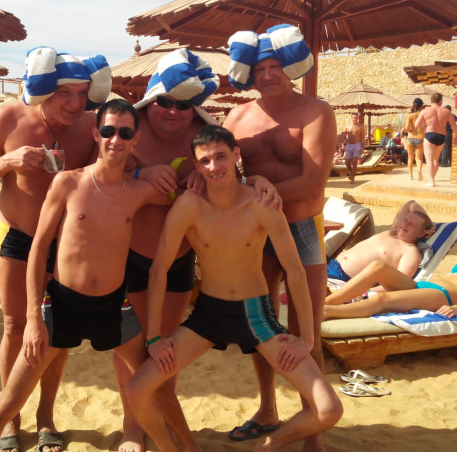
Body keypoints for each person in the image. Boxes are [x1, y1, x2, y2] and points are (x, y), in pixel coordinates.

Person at [0, 99, 197, 452]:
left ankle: (191, 448)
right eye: (108, 131)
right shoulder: (68, 183)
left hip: (114, 308)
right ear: (95, 134)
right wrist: (33, 319)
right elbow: (39, 250)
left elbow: (191, 196)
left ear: (135, 140)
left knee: (159, 387)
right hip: (61, 306)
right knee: (7, 403)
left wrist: (204, 177)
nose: (115, 139)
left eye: (125, 133)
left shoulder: (139, 191)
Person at [126, 125, 342, 452]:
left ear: (236, 154)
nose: (214, 166)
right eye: (205, 161)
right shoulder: (189, 206)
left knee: (329, 409)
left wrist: (307, 339)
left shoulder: (261, 203)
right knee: (136, 391)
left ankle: (266, 447)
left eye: (220, 157)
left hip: (256, 315)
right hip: (208, 315)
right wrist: (154, 337)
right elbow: (159, 271)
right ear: (196, 165)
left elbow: (296, 272)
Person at [0, 47, 112, 452]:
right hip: (18, 234)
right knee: (16, 326)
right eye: (65, 92)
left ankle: (46, 415)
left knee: (56, 331)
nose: (75, 102)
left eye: (81, 93)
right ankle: (10, 420)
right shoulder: (9, 118)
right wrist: (8, 162)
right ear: (45, 88)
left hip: (64, 241)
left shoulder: (90, 125)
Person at [223, 24, 336, 448]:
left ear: (288, 67)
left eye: (274, 67)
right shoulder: (237, 117)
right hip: (255, 232)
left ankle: (313, 427)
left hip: (302, 226)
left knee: (307, 328)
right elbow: (222, 171)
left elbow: (312, 183)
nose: (267, 75)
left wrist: (257, 193)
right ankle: (268, 409)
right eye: (259, 69)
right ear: (249, 74)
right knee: (262, 325)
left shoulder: (316, 111)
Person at [113, 47, 220, 452]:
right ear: (151, 99)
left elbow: (231, 174)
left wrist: (206, 181)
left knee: (167, 347)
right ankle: (132, 427)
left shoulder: (204, 135)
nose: (173, 111)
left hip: (178, 258)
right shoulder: (129, 126)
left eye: (184, 104)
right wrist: (140, 172)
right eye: (165, 102)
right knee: (132, 349)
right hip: (132, 253)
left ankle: (164, 419)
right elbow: (97, 175)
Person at [324, 234, 457, 319]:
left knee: (383, 299)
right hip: (423, 287)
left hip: (442, 296)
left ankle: (327, 313)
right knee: (378, 267)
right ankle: (326, 303)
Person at [326, 201, 433, 287]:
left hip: (341, 278)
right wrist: (431, 224)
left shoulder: (410, 252)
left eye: (411, 224)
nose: (405, 224)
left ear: (421, 233)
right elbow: (410, 204)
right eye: (405, 220)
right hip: (329, 263)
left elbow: (399, 283)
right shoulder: (392, 232)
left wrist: (366, 293)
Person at [415, 92, 457, 187]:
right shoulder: (447, 112)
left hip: (430, 134)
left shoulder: (425, 111)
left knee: (429, 160)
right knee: (436, 160)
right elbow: (454, 125)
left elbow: (416, 124)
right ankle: (432, 179)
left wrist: (425, 123)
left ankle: (431, 181)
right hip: (441, 136)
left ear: (431, 100)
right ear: (441, 101)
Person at [405, 98, 426, 181]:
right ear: (421, 106)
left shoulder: (410, 116)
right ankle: (419, 170)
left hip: (410, 138)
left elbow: (407, 128)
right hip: (420, 138)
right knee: (419, 158)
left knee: (410, 158)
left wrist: (410, 130)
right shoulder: (423, 115)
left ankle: (410, 176)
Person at [343, 113, 364, 182]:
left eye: (356, 117)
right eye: (354, 117)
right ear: (351, 118)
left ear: (357, 118)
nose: (355, 119)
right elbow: (344, 136)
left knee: (355, 161)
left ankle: (352, 178)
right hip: (349, 145)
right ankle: (352, 173)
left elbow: (362, 138)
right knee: (347, 162)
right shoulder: (347, 126)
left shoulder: (360, 127)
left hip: (357, 145)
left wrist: (362, 148)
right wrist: (343, 143)